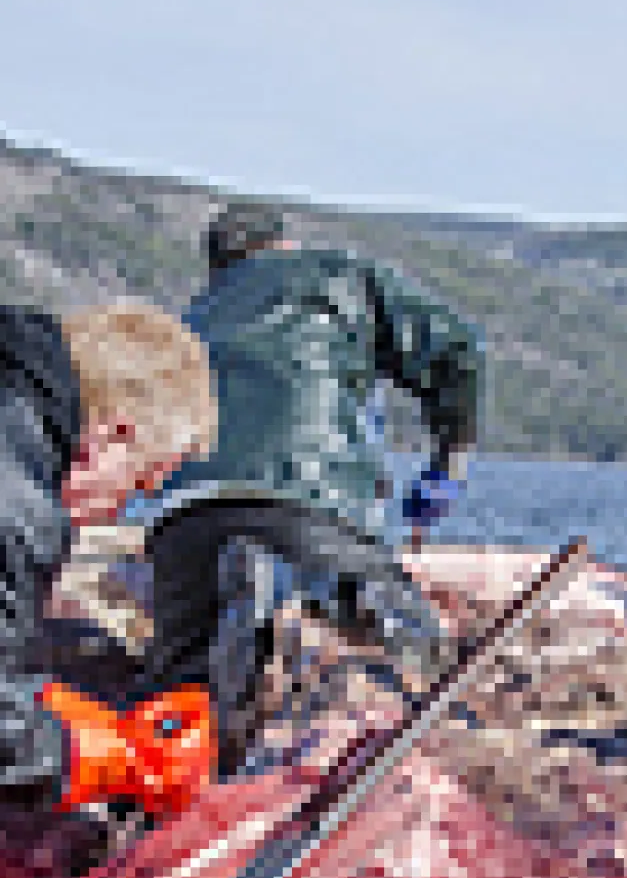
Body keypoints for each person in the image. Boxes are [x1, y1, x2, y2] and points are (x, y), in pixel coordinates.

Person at [138, 200, 484, 775]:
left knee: (180, 695)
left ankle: (173, 804)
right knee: (407, 650)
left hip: (185, 518)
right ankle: (294, 606)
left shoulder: (195, 314)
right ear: (284, 247)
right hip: (308, 501)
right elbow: (457, 350)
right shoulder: (335, 274)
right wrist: (450, 458)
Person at [0, 302, 217, 878]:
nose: (125, 509)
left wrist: (44, 703)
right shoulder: (15, 507)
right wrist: (98, 752)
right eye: (143, 482)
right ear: (113, 436)